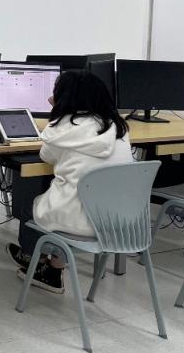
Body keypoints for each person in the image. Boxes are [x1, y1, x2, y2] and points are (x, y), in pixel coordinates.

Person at [7, 69, 132, 294]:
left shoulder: (62, 128)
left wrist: (57, 115)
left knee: (30, 202)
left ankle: (37, 261)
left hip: (78, 222)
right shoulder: (117, 127)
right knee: (66, 193)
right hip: (117, 221)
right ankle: (53, 265)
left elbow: (46, 156)